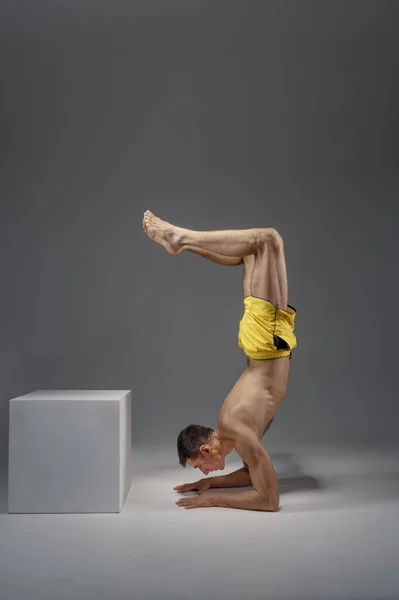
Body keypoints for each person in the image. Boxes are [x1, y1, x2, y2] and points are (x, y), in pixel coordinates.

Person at [142, 210, 297, 511]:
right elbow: (253, 472)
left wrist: (214, 500)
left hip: (267, 344)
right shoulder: (232, 432)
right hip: (262, 344)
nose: (204, 471)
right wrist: (212, 483)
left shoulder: (235, 427)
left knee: (267, 240)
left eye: (200, 466)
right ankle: (180, 242)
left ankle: (180, 238)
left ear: (205, 449)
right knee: (250, 250)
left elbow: (268, 500)